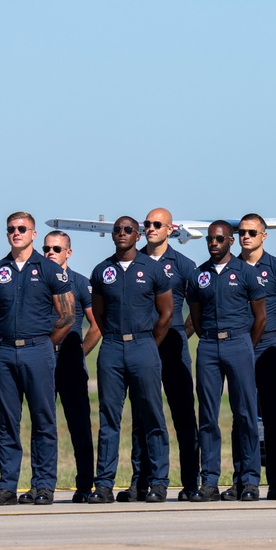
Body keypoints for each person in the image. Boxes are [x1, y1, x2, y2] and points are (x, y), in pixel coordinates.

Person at [0, 212, 74, 506]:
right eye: (11, 229)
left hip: (38, 351)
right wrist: (5, 339)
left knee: (43, 419)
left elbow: (67, 315)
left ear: (33, 234)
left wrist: (45, 342)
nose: (16, 233)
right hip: (5, 353)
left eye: (22, 229)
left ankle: (43, 485)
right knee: (7, 422)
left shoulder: (49, 269)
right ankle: (7, 486)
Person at [87, 216, 175, 504]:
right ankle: (103, 485)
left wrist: (150, 344)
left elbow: (166, 313)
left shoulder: (153, 269)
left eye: (128, 230)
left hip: (143, 346)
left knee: (152, 416)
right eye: (117, 230)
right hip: (112, 347)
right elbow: (98, 314)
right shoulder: (102, 271)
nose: (122, 233)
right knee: (109, 419)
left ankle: (158, 482)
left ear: (138, 236)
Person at [121, 208, 200, 502]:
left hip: (173, 344)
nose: (151, 228)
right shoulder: (133, 261)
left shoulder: (184, 264)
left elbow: (197, 308)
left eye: (157, 224)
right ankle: (142, 481)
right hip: (142, 346)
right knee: (143, 416)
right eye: (148, 225)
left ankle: (191, 481)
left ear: (170, 229)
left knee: (183, 414)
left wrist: (181, 333)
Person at [186, 220, 266, 502]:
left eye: (219, 239)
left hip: (239, 342)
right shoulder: (199, 276)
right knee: (207, 415)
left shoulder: (246, 273)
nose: (214, 244)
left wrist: (246, 346)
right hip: (208, 344)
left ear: (230, 241)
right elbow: (194, 316)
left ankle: (248, 480)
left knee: (244, 414)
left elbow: (261, 317)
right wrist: (208, 337)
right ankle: (209, 481)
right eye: (210, 240)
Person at [222, 213, 276, 501]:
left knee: (274, 416)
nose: (246, 237)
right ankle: (243, 480)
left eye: (252, 232)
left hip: (268, 349)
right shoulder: (229, 267)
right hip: (239, 348)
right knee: (241, 416)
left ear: (264, 236)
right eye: (241, 232)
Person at [43, 230, 100, 503]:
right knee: (44, 425)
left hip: (70, 362)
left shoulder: (79, 282)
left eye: (56, 249)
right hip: (41, 361)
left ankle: (85, 485)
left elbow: (96, 324)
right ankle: (42, 486)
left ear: (69, 252)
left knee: (79, 426)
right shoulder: (37, 280)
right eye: (46, 249)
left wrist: (81, 352)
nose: (50, 253)